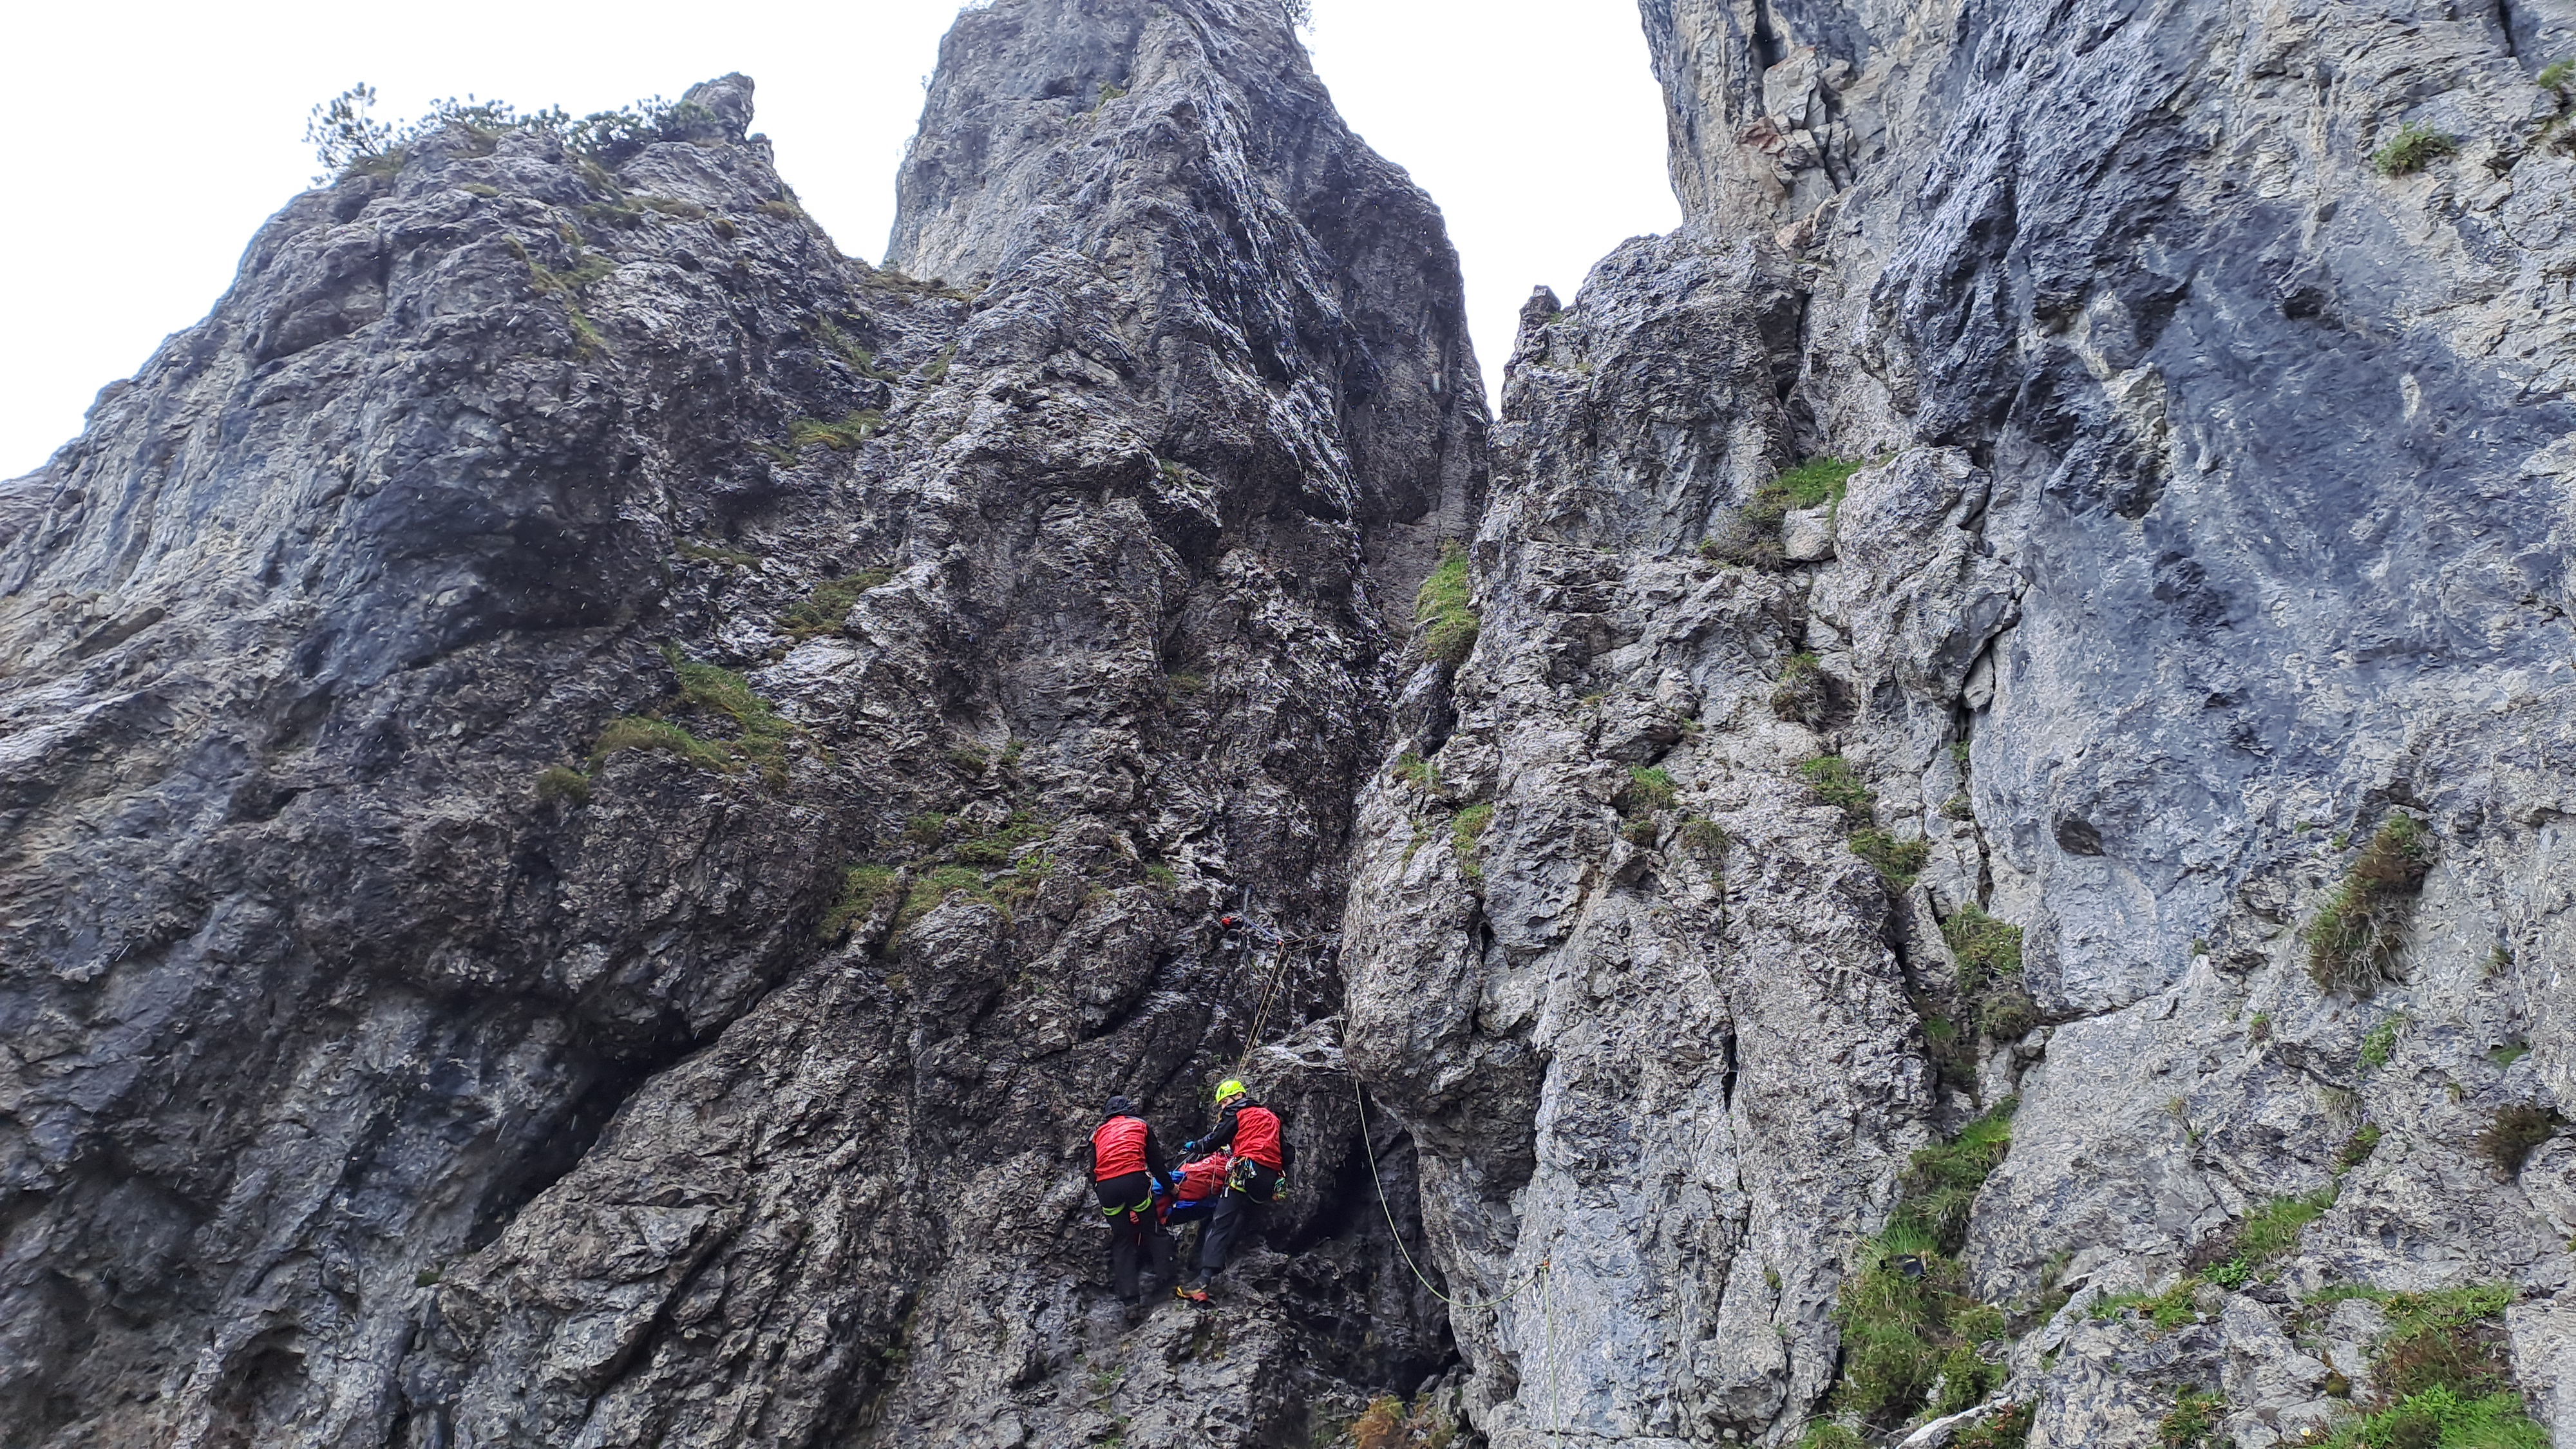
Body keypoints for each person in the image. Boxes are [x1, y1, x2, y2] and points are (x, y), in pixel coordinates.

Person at [1175, 1078, 1292, 1302]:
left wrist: (1195, 1146)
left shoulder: (1237, 1112)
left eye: (1225, 1101)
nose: (1223, 1106)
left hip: (1245, 1169)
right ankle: (1233, 1259)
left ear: (1239, 1096)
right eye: (1222, 1103)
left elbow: (1214, 1141)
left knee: (1220, 1222)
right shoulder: (1271, 1117)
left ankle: (1203, 1281)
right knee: (1242, 1212)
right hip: (1269, 1179)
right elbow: (1288, 1154)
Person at [1088, 1095, 1176, 1300]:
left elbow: (1093, 1172)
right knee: (1153, 1229)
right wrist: (1171, 1188)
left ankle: (1130, 1299)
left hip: (1107, 1188)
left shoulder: (1098, 1134)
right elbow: (1156, 1164)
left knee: (1122, 1239)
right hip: (1134, 1180)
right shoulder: (1140, 1125)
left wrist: (1103, 1193)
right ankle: (1167, 1284)